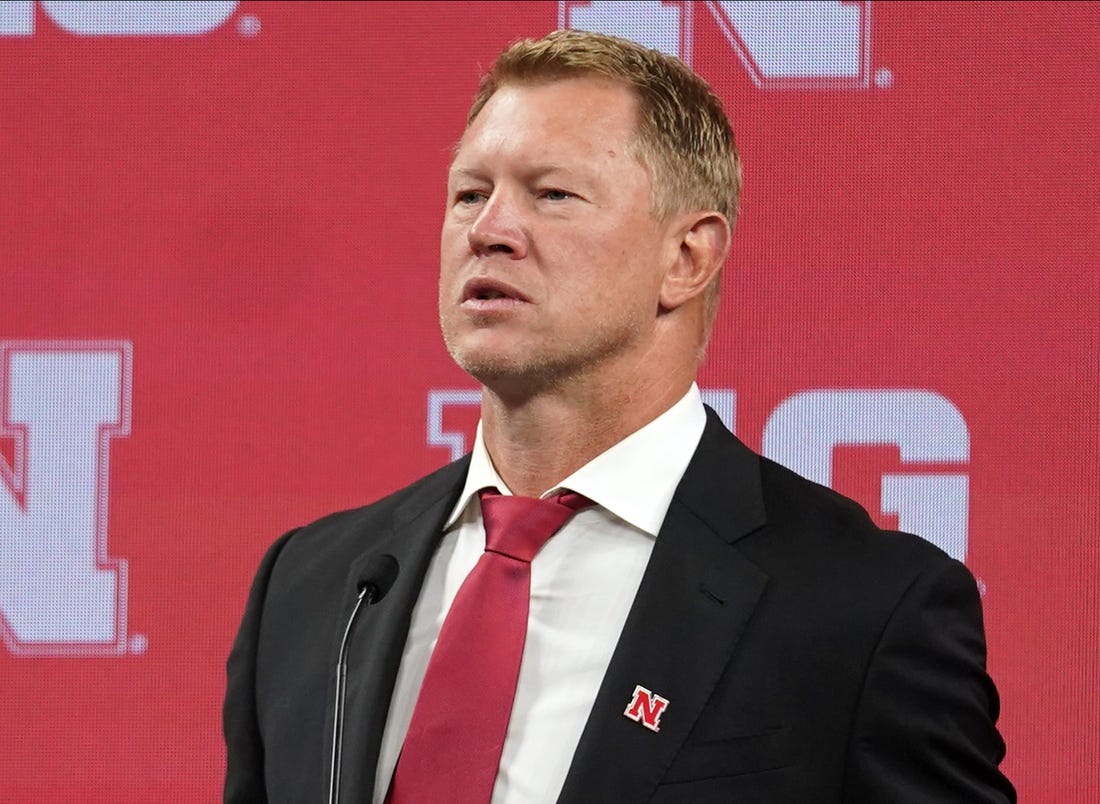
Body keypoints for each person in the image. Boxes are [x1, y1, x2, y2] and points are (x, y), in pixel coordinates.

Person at [224, 30, 1015, 803]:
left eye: (552, 195)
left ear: (687, 259)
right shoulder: (314, 585)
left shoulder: (861, 610)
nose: (488, 230)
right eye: (470, 192)